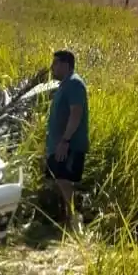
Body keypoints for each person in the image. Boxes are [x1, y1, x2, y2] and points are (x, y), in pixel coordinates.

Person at [45, 49, 89, 231]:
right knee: (59, 181)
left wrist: (65, 141)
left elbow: (76, 113)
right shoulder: (65, 84)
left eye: (55, 63)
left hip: (68, 145)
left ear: (65, 65)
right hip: (58, 144)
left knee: (64, 181)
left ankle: (74, 222)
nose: (52, 67)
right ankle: (66, 220)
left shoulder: (74, 84)